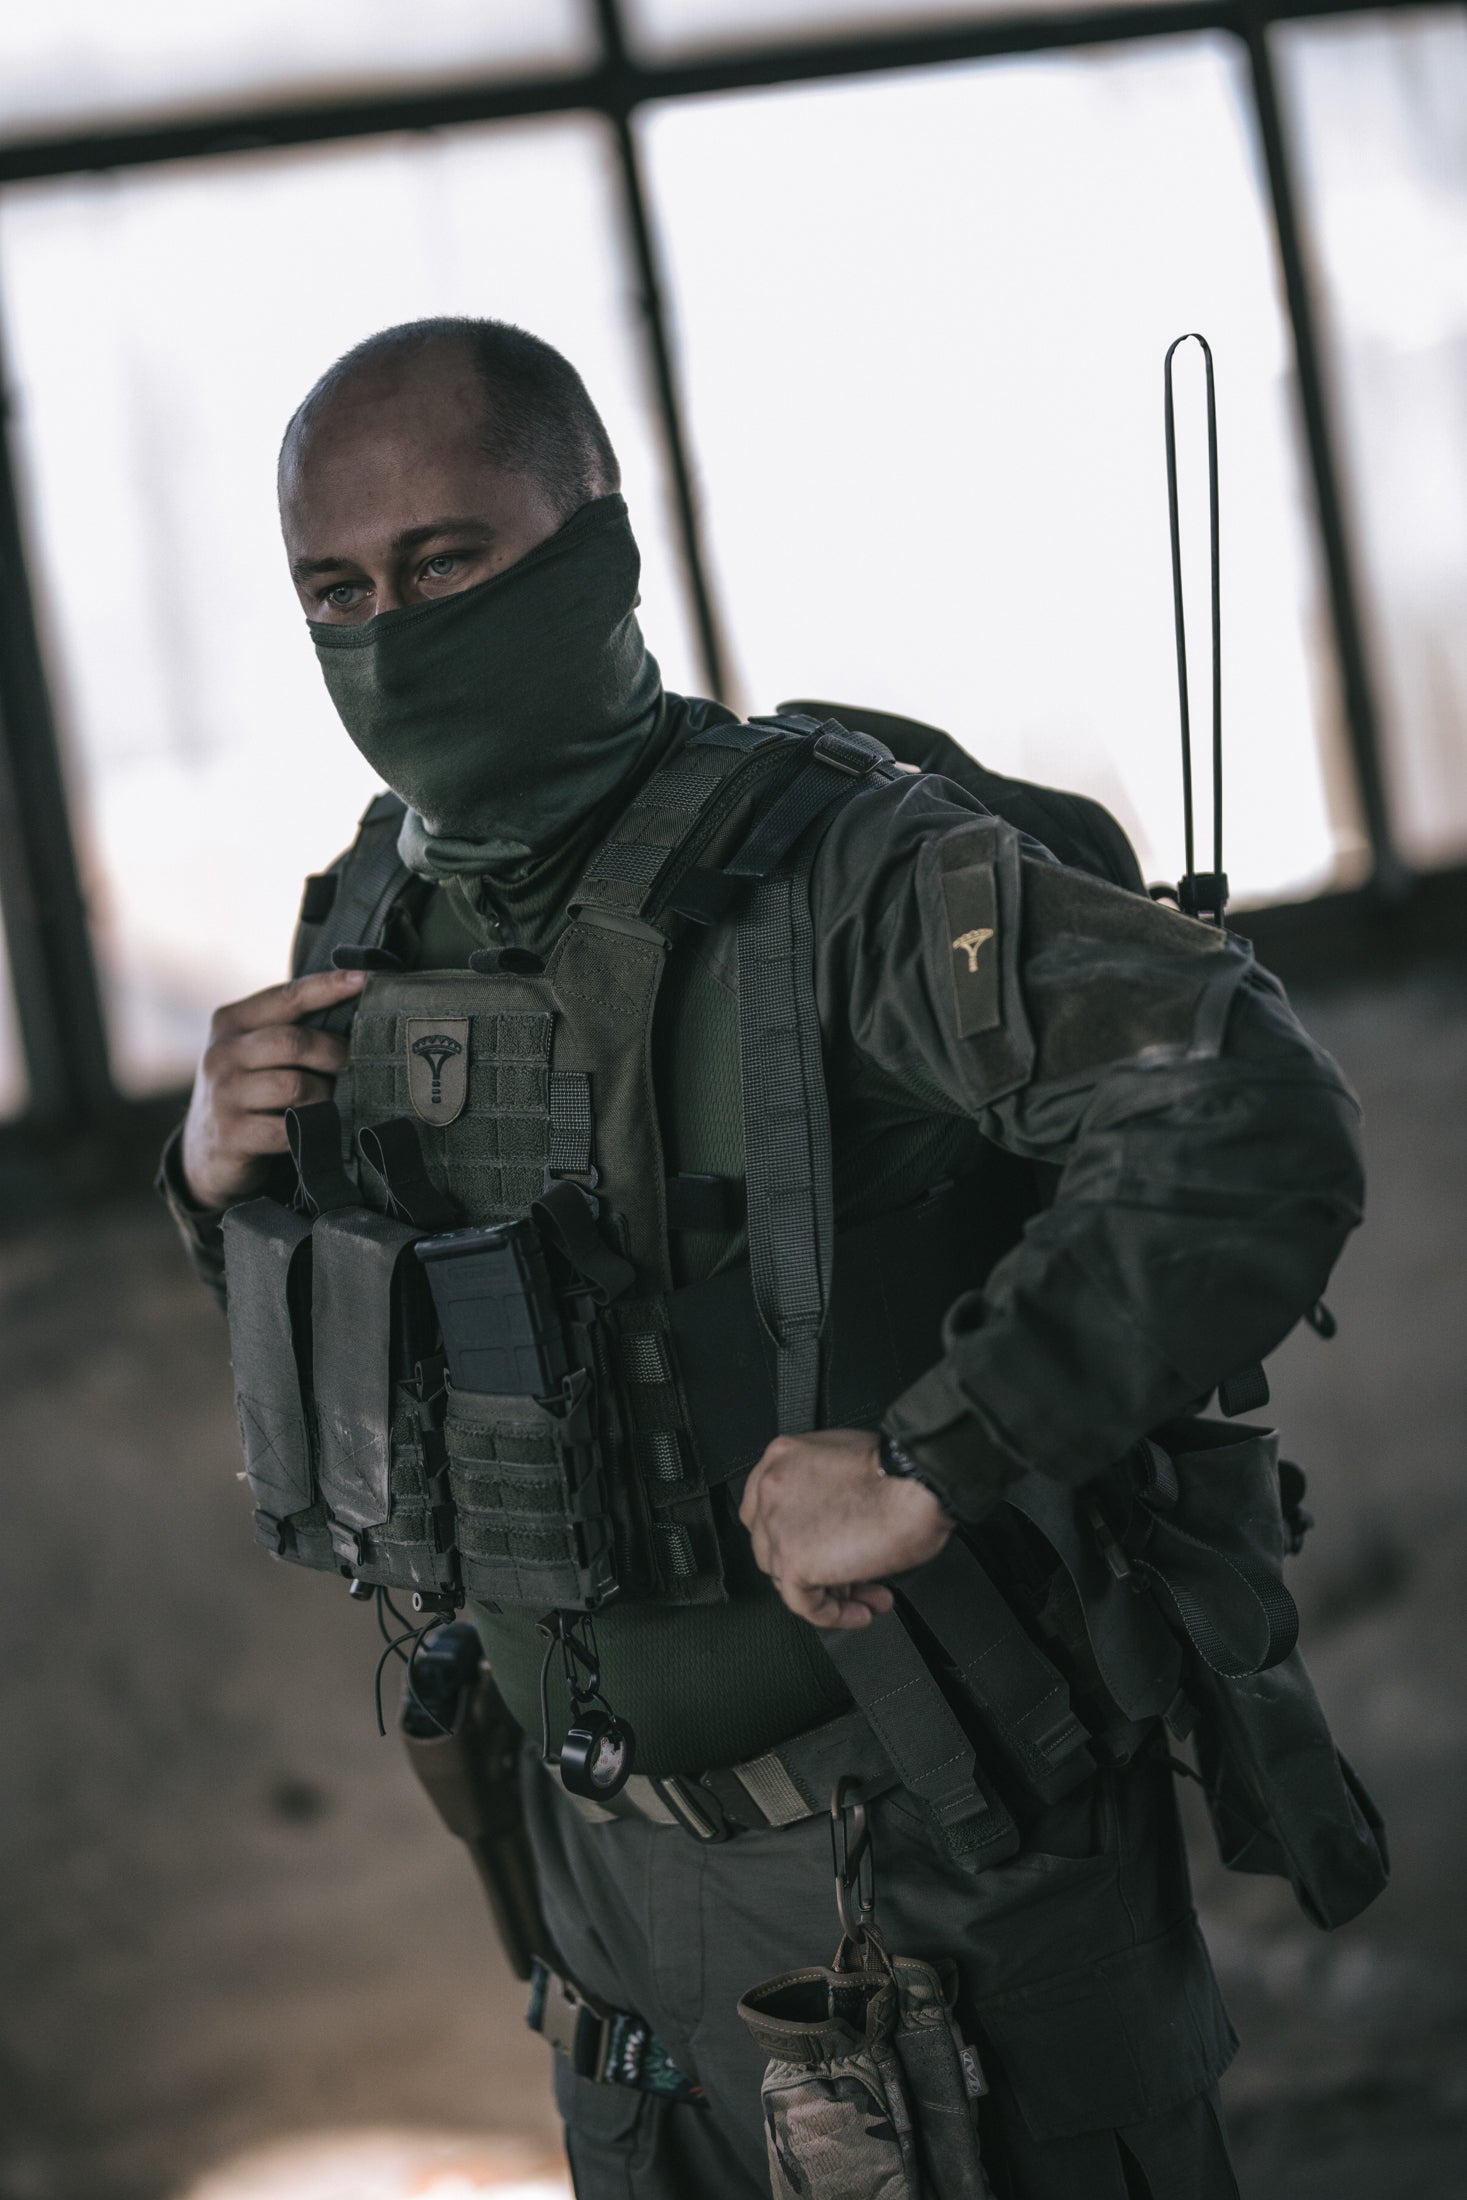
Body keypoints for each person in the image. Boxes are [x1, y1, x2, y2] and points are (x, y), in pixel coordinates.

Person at [160, 317, 1367, 2199]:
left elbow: (1248, 1111)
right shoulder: (381, 910)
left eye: (447, 563)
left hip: (930, 1886)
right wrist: (217, 1182)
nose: (390, 633)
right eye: (337, 588)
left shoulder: (848, 873)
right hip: (603, 1911)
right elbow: (419, 1375)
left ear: (600, 545)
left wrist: (931, 1460)